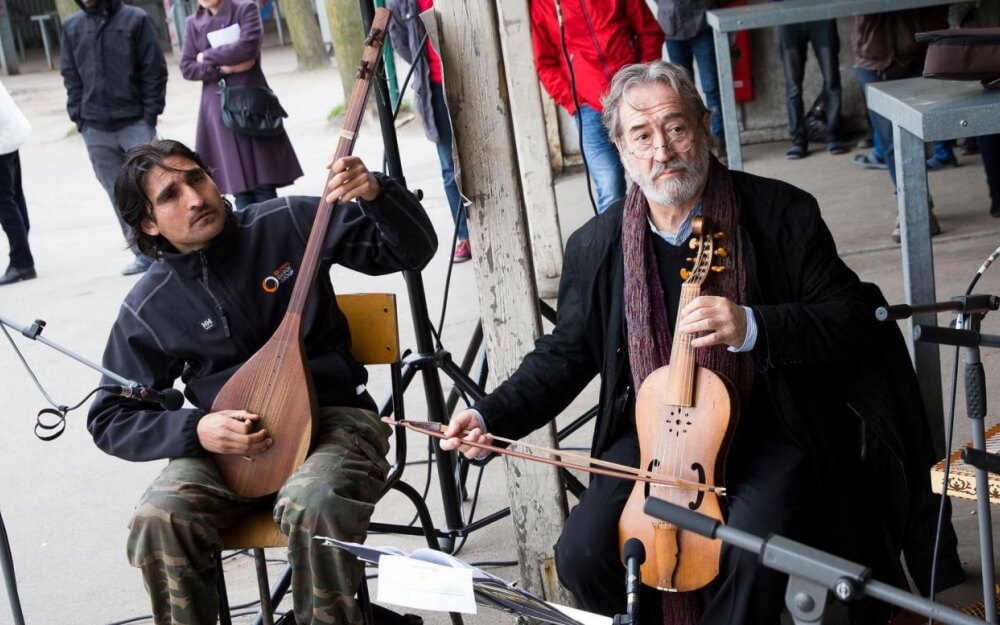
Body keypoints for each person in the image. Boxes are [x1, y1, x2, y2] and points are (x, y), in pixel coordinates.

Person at [441, 61, 962, 623]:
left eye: (676, 127)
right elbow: (566, 353)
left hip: (771, 426)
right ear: (619, 148)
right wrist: (491, 414)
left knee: (751, 546)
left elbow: (852, 317)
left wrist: (754, 325)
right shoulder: (598, 244)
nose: (661, 150)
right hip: (653, 436)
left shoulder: (783, 213)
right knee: (582, 554)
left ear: (704, 127)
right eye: (641, 136)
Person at [86, 139, 437, 625]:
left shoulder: (287, 223)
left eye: (196, 177)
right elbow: (110, 416)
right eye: (169, 195)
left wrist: (377, 193)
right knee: (159, 518)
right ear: (148, 224)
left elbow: (412, 251)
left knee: (312, 501)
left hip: (334, 424)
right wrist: (197, 430)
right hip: (228, 451)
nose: (194, 198)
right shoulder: (150, 305)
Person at [60, 0, 168, 276]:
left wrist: (149, 116)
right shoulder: (72, 26)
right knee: (116, 192)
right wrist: (79, 116)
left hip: (135, 122)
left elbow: (154, 69)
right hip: (95, 127)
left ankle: (168, 249)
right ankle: (142, 253)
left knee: (151, 186)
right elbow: (70, 74)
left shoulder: (136, 19)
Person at [530, 0, 663, 214]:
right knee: (609, 184)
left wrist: (644, 80)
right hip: (589, 108)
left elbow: (649, 31)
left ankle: (659, 242)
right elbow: (545, 63)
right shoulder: (542, 5)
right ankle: (615, 246)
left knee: (654, 173)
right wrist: (573, 102)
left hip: (632, 96)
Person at [179, 0, 304, 211]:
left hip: (252, 103)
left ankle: (274, 232)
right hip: (217, 108)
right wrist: (224, 69)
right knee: (239, 187)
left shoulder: (245, 9)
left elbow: (248, 48)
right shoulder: (193, 22)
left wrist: (205, 56)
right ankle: (250, 238)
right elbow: (187, 67)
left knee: (264, 181)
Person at [853, 8, 948, 241]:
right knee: (888, 141)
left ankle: (917, 202)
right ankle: (910, 205)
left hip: (915, 47)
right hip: (873, 54)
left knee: (918, 139)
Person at [387, 0, 471, 263]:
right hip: (434, 89)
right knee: (449, 167)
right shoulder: (400, 2)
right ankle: (465, 235)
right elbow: (398, 37)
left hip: (470, 77)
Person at [774, 8, 847, 159]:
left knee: (831, 79)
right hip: (789, 17)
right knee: (793, 86)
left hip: (821, 13)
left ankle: (833, 135)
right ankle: (798, 139)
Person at [0, 79, 35, 286]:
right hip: (9, 136)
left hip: (3, 141)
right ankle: (23, 254)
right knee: (14, 197)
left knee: (6, 203)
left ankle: (22, 262)